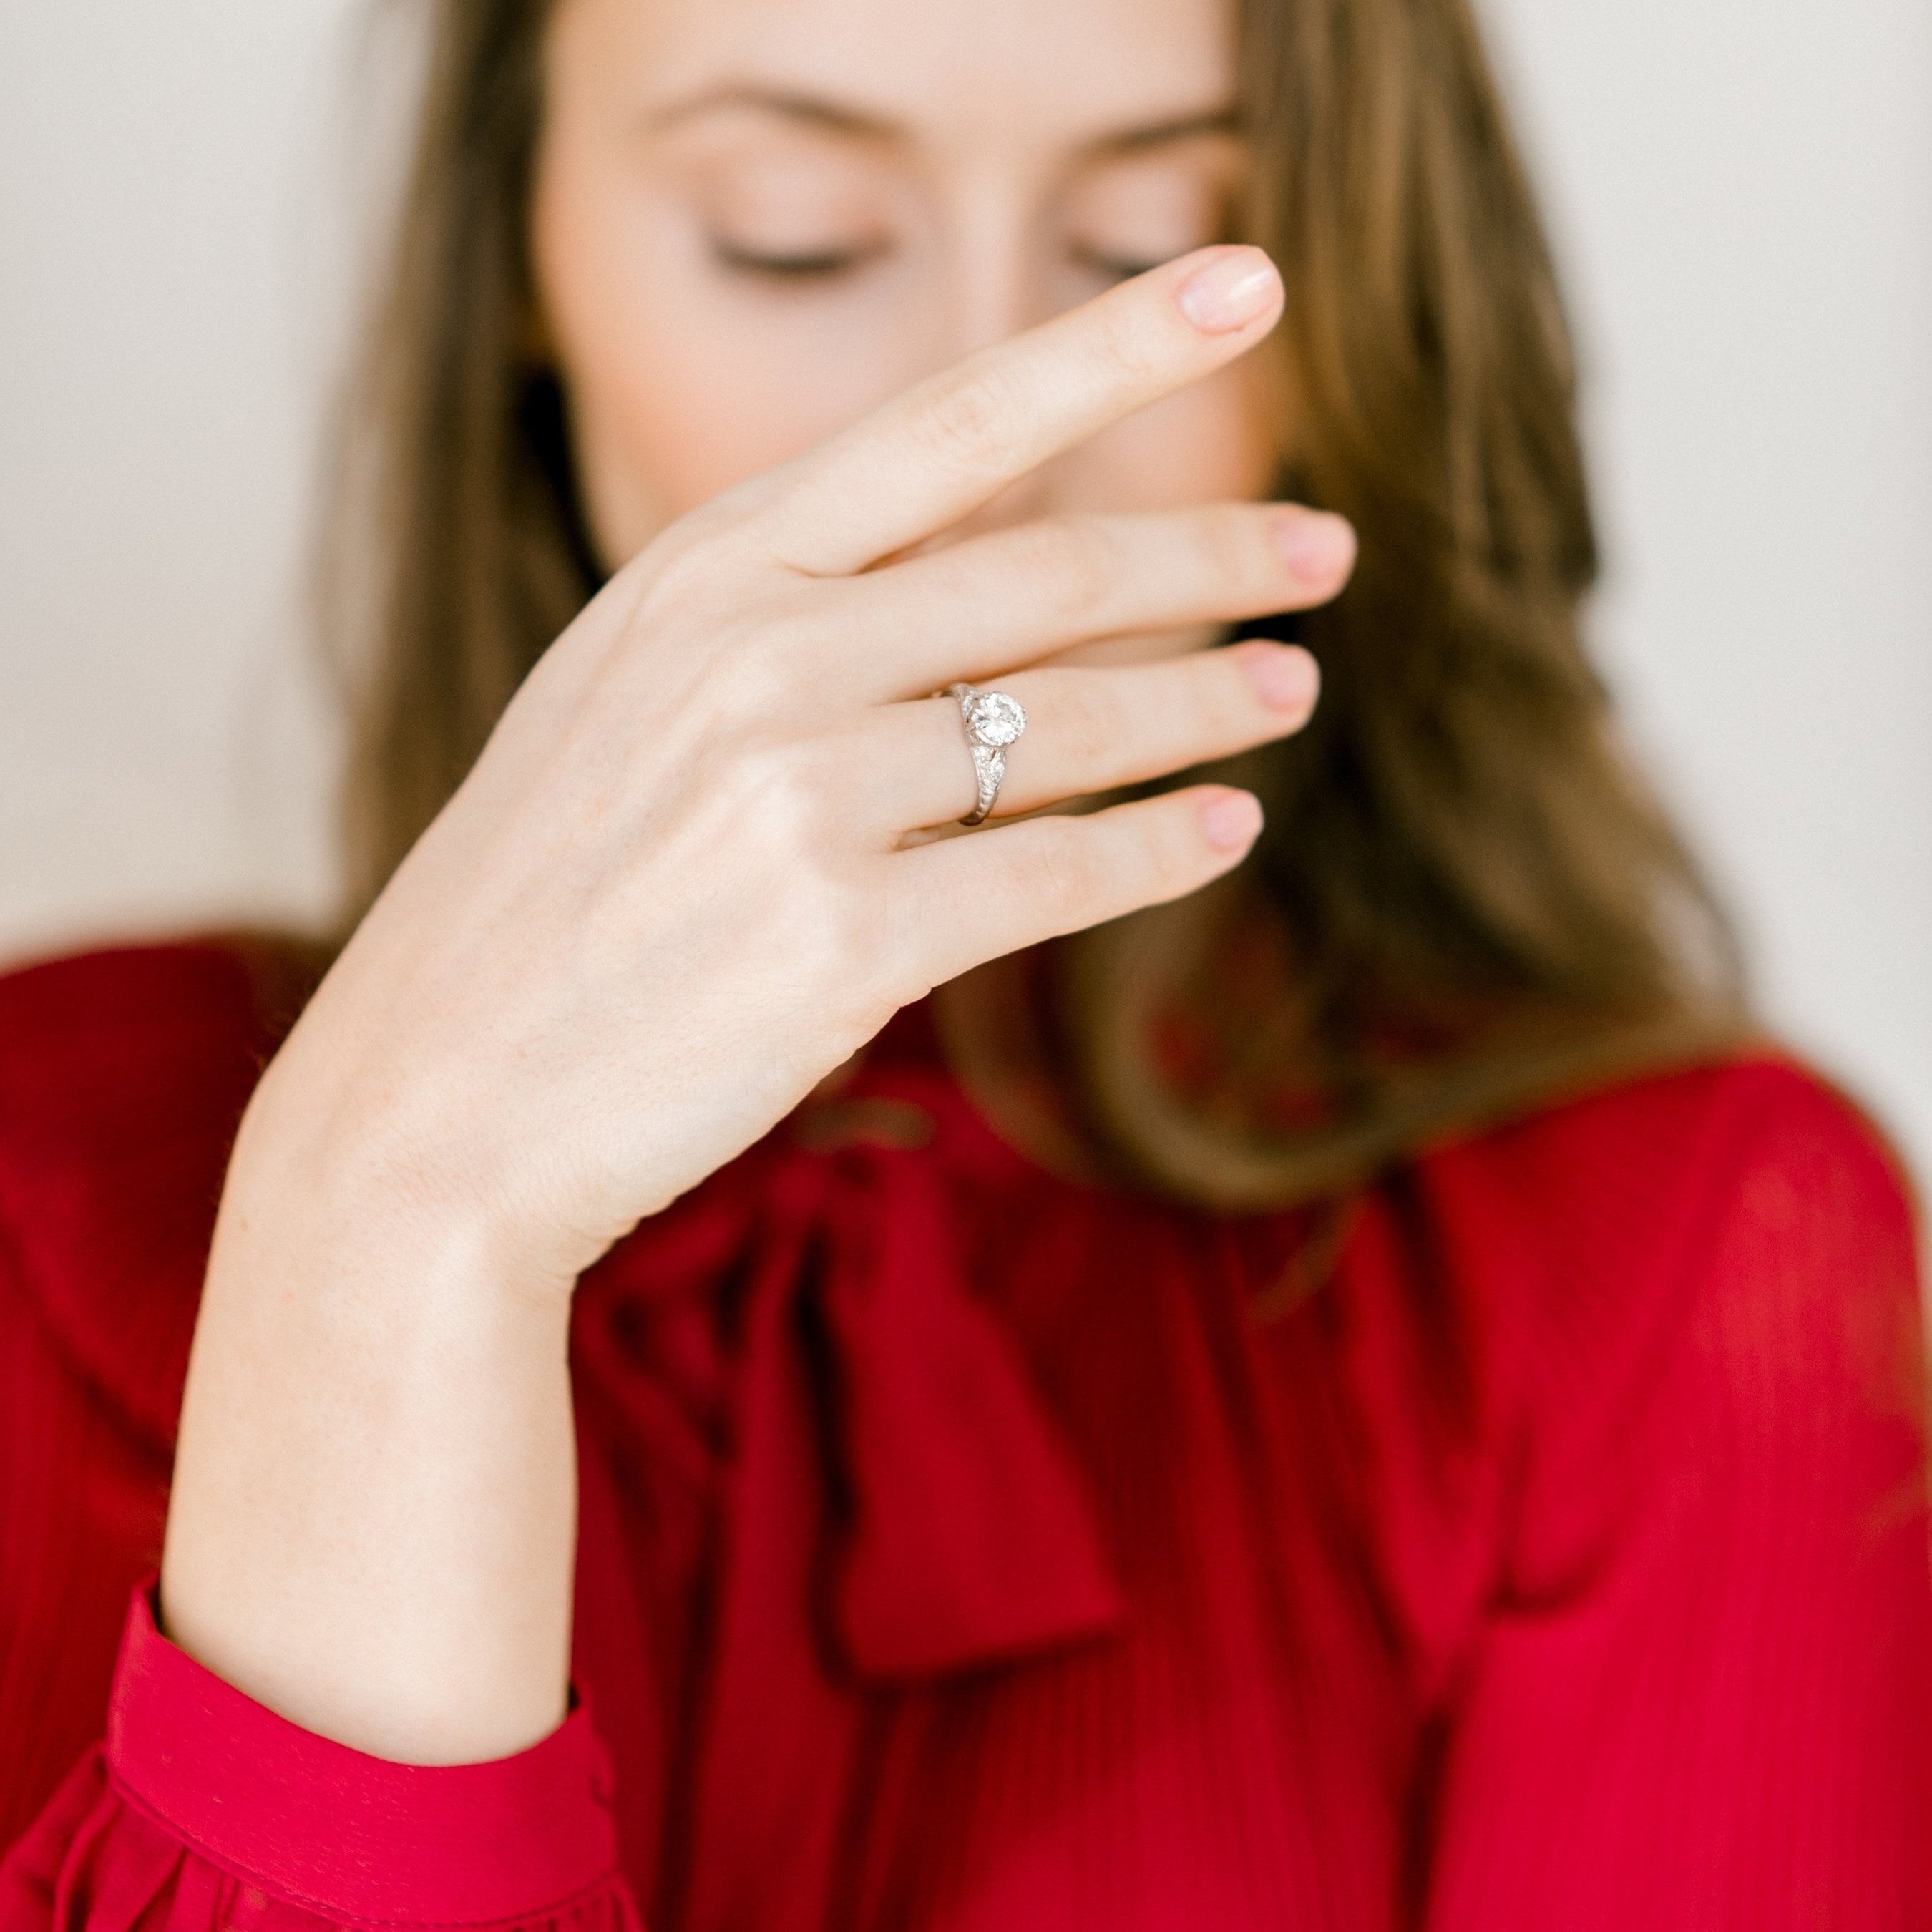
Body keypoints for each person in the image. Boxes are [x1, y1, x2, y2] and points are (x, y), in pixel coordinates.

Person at [1, 0, 1926, 1922]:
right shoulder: (43, 1188)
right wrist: (384, 1233)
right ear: (520, 253)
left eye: (1156, 252)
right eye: (795, 235)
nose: (984, 459)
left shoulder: (1685, 1272)